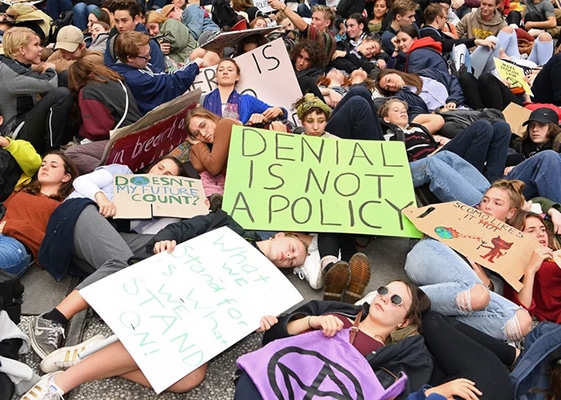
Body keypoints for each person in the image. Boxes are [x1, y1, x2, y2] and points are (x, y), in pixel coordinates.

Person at [234, 281, 514, 400]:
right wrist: (312, 322)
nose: (383, 297)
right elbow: (272, 341)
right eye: (383, 290)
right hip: (279, 382)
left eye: (395, 300)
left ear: (404, 321)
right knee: (254, 380)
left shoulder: (409, 355)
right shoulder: (337, 312)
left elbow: (394, 395)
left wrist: (432, 392)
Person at [405, 179, 534, 341]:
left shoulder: (510, 248)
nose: (487, 206)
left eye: (497, 203)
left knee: (520, 322)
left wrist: (489, 283)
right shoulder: (460, 217)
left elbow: (501, 288)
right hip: (428, 255)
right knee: (478, 293)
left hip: (466, 297)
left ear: (511, 213)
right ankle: (399, 298)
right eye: (485, 200)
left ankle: (423, 314)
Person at [380, 98, 510, 182]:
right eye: (396, 111)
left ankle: (494, 183)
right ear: (386, 119)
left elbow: (435, 126)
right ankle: (474, 180)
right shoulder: (390, 137)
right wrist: (439, 149)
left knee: (502, 127)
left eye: (404, 111)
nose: (403, 113)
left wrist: (440, 141)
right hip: (428, 163)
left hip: (442, 155)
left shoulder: (418, 129)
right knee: (482, 126)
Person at [0, 151, 78, 277]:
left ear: (66, 177)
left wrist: (11, 226)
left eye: (53, 166)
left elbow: (50, 244)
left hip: (16, 245)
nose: (45, 168)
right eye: (43, 164)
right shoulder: (23, 191)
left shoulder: (61, 207)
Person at [65, 54, 142, 174]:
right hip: (136, 131)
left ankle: (111, 174)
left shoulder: (88, 91)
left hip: (122, 139)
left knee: (70, 154)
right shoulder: (114, 79)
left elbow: (99, 130)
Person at [0, 27, 73, 154]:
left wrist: (41, 68)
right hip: (16, 133)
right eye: (36, 45)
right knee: (61, 94)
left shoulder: (13, 65)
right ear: (22, 49)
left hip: (26, 121)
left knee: (64, 77)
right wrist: (50, 68)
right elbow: (49, 84)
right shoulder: (9, 71)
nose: (41, 49)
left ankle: (69, 136)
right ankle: (52, 152)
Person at [110, 31, 202, 115]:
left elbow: (161, 74)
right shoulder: (135, 79)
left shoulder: (136, 65)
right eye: (145, 56)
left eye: (149, 53)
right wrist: (195, 65)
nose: (149, 58)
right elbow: (171, 82)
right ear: (130, 58)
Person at [505, 210, 561, 323]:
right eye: (531, 230)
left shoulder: (555, 257)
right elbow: (522, 312)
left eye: (543, 229)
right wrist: (530, 271)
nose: (540, 234)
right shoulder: (514, 268)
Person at [202, 59, 287, 125]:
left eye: (230, 70)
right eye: (221, 70)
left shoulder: (247, 100)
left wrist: (279, 110)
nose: (225, 72)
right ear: (216, 76)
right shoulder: (203, 100)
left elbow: (274, 114)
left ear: (237, 77)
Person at [103, 0, 165, 71]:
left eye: (124, 20)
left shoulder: (150, 44)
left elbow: (159, 75)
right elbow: (108, 72)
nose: (120, 25)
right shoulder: (112, 43)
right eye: (117, 21)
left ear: (136, 19)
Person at [267, 1, 336, 62]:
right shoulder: (301, 33)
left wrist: (283, 7)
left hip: (313, 74)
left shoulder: (329, 39)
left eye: (317, 19)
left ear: (327, 23)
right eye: (312, 18)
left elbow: (305, 27)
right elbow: (288, 40)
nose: (312, 22)